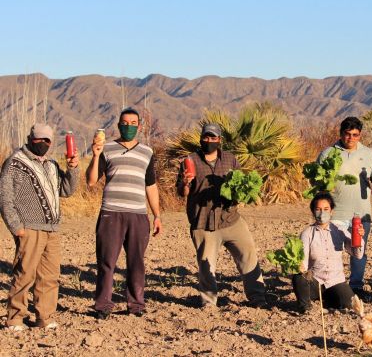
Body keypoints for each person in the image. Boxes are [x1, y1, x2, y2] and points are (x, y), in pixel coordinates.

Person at [176, 123, 267, 308]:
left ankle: (258, 298)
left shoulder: (230, 159)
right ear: (201, 138)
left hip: (231, 219)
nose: (209, 141)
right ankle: (209, 303)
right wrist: (186, 183)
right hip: (203, 222)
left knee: (248, 256)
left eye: (213, 138)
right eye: (206, 138)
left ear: (219, 140)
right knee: (206, 266)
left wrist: (243, 193)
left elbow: (241, 183)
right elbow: (182, 192)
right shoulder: (190, 160)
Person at [0, 124, 80, 331]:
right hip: (29, 228)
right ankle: (15, 318)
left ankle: (44, 317)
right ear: (30, 139)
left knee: (49, 276)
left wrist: (73, 169)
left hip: (52, 229)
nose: (43, 144)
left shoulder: (51, 165)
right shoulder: (15, 163)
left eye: (47, 140)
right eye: (39, 140)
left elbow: (67, 190)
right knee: (25, 273)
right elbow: (5, 197)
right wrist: (16, 226)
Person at [86, 107, 162, 319]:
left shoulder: (147, 152)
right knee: (106, 261)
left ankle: (136, 305)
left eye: (133, 123)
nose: (128, 126)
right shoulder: (106, 149)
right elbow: (91, 181)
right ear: (118, 124)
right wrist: (95, 155)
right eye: (124, 123)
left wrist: (156, 215)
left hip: (138, 215)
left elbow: (151, 186)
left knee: (136, 262)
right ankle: (103, 306)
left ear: (139, 126)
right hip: (111, 213)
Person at [316, 116, 372, 296]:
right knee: (330, 253)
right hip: (335, 214)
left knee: (358, 250)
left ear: (360, 135)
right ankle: (329, 286)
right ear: (341, 133)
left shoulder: (369, 154)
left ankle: (356, 287)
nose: (351, 138)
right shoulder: (328, 153)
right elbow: (316, 184)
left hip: (361, 214)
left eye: (355, 135)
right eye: (347, 134)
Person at [292, 192, 364, 314]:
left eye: (326, 209)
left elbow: (357, 254)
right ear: (313, 212)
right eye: (318, 209)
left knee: (349, 305)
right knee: (299, 278)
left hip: (335, 281)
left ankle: (329, 300)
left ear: (331, 211)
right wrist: (299, 266)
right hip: (316, 282)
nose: (322, 213)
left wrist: (359, 238)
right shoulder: (307, 233)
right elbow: (302, 261)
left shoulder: (340, 230)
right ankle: (306, 308)